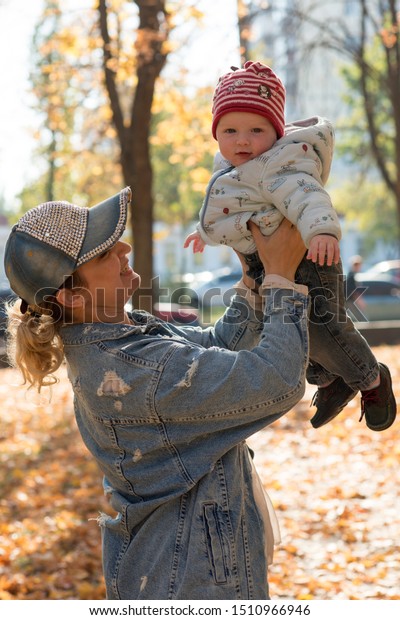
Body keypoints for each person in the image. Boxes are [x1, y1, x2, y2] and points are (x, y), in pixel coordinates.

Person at [4, 187, 310, 600]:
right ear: (70, 295)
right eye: (104, 252)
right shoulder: (134, 368)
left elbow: (214, 348)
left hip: (175, 568)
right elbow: (275, 380)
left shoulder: (120, 335)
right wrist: (280, 282)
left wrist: (253, 280)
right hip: (188, 581)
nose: (125, 247)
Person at [185, 61, 396, 432]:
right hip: (267, 263)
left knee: (325, 327)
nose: (243, 140)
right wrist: (202, 232)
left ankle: (371, 379)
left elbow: (309, 197)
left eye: (256, 129)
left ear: (276, 131)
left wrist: (323, 232)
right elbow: (228, 205)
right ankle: (330, 382)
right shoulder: (231, 169)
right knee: (288, 329)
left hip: (311, 258)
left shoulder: (282, 163)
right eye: (230, 130)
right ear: (216, 133)